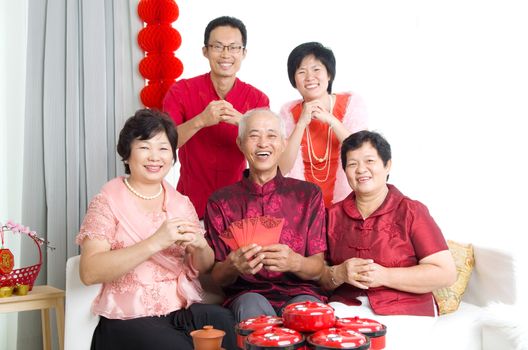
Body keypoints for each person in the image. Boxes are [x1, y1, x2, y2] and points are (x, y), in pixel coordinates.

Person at [76, 109, 236, 350]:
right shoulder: (107, 201)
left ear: (172, 156)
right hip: (128, 317)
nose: (155, 157)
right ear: (127, 155)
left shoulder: (180, 203)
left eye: (163, 148)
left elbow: (204, 266)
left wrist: (201, 246)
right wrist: (156, 241)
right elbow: (89, 271)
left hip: (178, 310)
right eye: (144, 147)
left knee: (227, 322)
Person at [319, 130, 457, 348]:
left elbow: (446, 273)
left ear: (387, 165)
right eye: (352, 164)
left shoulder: (412, 211)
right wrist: (338, 273)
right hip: (346, 306)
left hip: (406, 308)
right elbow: (318, 274)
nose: (361, 169)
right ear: (345, 171)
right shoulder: (332, 215)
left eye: (369, 161)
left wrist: (384, 276)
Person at [204, 108, 327, 322]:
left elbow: (318, 267)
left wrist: (295, 262)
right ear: (240, 143)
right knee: (253, 311)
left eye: (271, 135)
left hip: (301, 292)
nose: (263, 143)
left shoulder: (308, 195)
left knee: (309, 315)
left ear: (283, 143)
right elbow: (216, 276)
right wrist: (233, 265)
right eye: (254, 136)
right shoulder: (221, 202)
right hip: (247, 294)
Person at [163, 16, 270, 219]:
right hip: (189, 205)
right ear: (205, 51)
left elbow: (267, 154)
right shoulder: (181, 91)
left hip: (241, 207)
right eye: (218, 46)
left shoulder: (257, 98)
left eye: (234, 47)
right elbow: (165, 142)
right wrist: (200, 121)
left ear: (243, 53)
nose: (225, 54)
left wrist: (245, 122)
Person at [279, 42, 368, 207]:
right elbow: (282, 168)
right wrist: (300, 124)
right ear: (294, 80)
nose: (309, 77)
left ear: (329, 74)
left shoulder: (350, 104)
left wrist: (331, 120)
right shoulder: (288, 113)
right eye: (301, 71)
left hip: (348, 203)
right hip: (303, 207)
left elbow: (362, 152)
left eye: (316, 69)